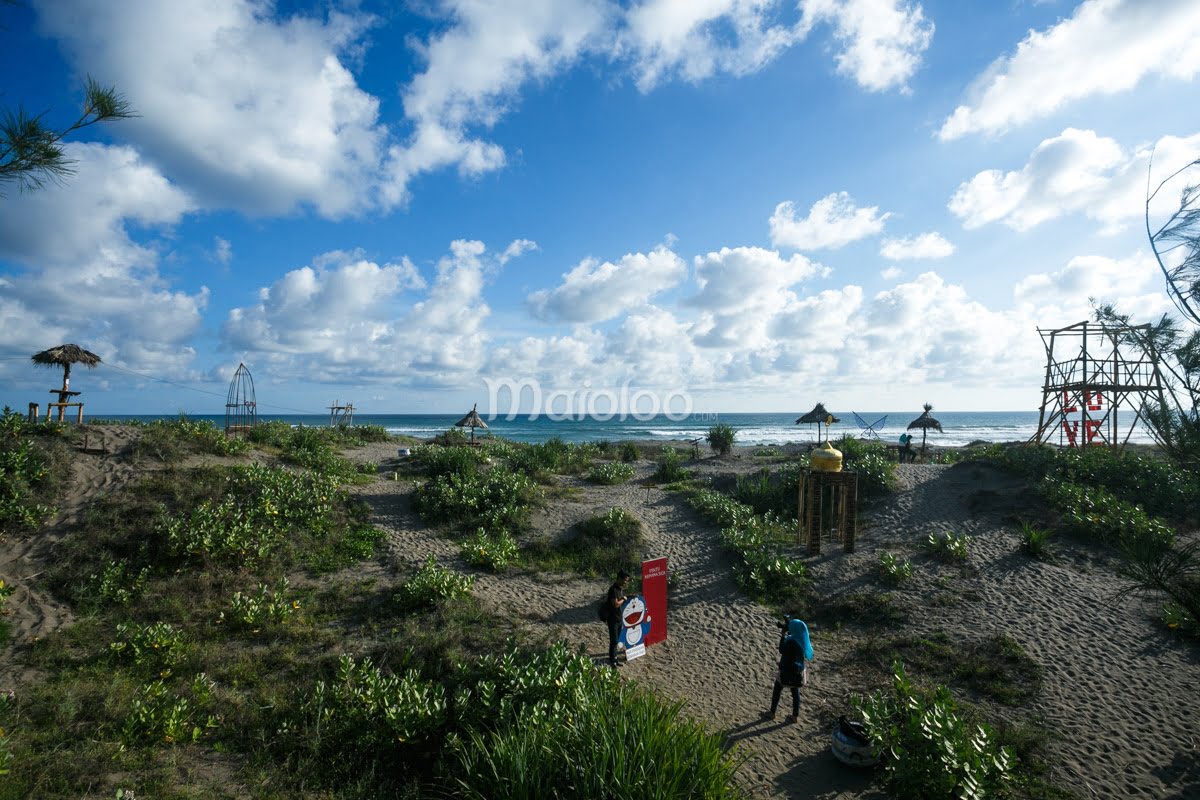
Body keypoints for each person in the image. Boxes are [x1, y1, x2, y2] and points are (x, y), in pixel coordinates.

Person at [766, 618, 813, 723]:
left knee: (777, 688)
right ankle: (795, 716)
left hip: (787, 670)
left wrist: (783, 635)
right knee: (795, 692)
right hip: (798, 672)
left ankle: (772, 713)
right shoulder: (802, 640)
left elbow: (781, 649)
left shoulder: (791, 641)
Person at [604, 570, 630, 667]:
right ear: (619, 578)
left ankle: (615, 658)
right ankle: (612, 660)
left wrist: (627, 597)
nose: (625, 582)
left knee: (617, 640)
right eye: (624, 580)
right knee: (614, 640)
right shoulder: (613, 590)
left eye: (626, 581)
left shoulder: (619, 589)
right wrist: (623, 599)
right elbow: (615, 604)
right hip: (612, 619)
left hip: (619, 619)